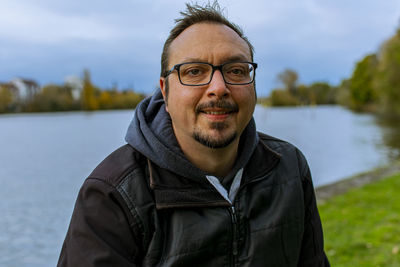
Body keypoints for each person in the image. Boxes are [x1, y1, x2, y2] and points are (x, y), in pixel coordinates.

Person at [58, 2, 330, 266]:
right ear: (165, 91)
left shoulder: (289, 167)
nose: (218, 87)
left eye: (236, 70)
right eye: (194, 71)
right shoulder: (112, 194)